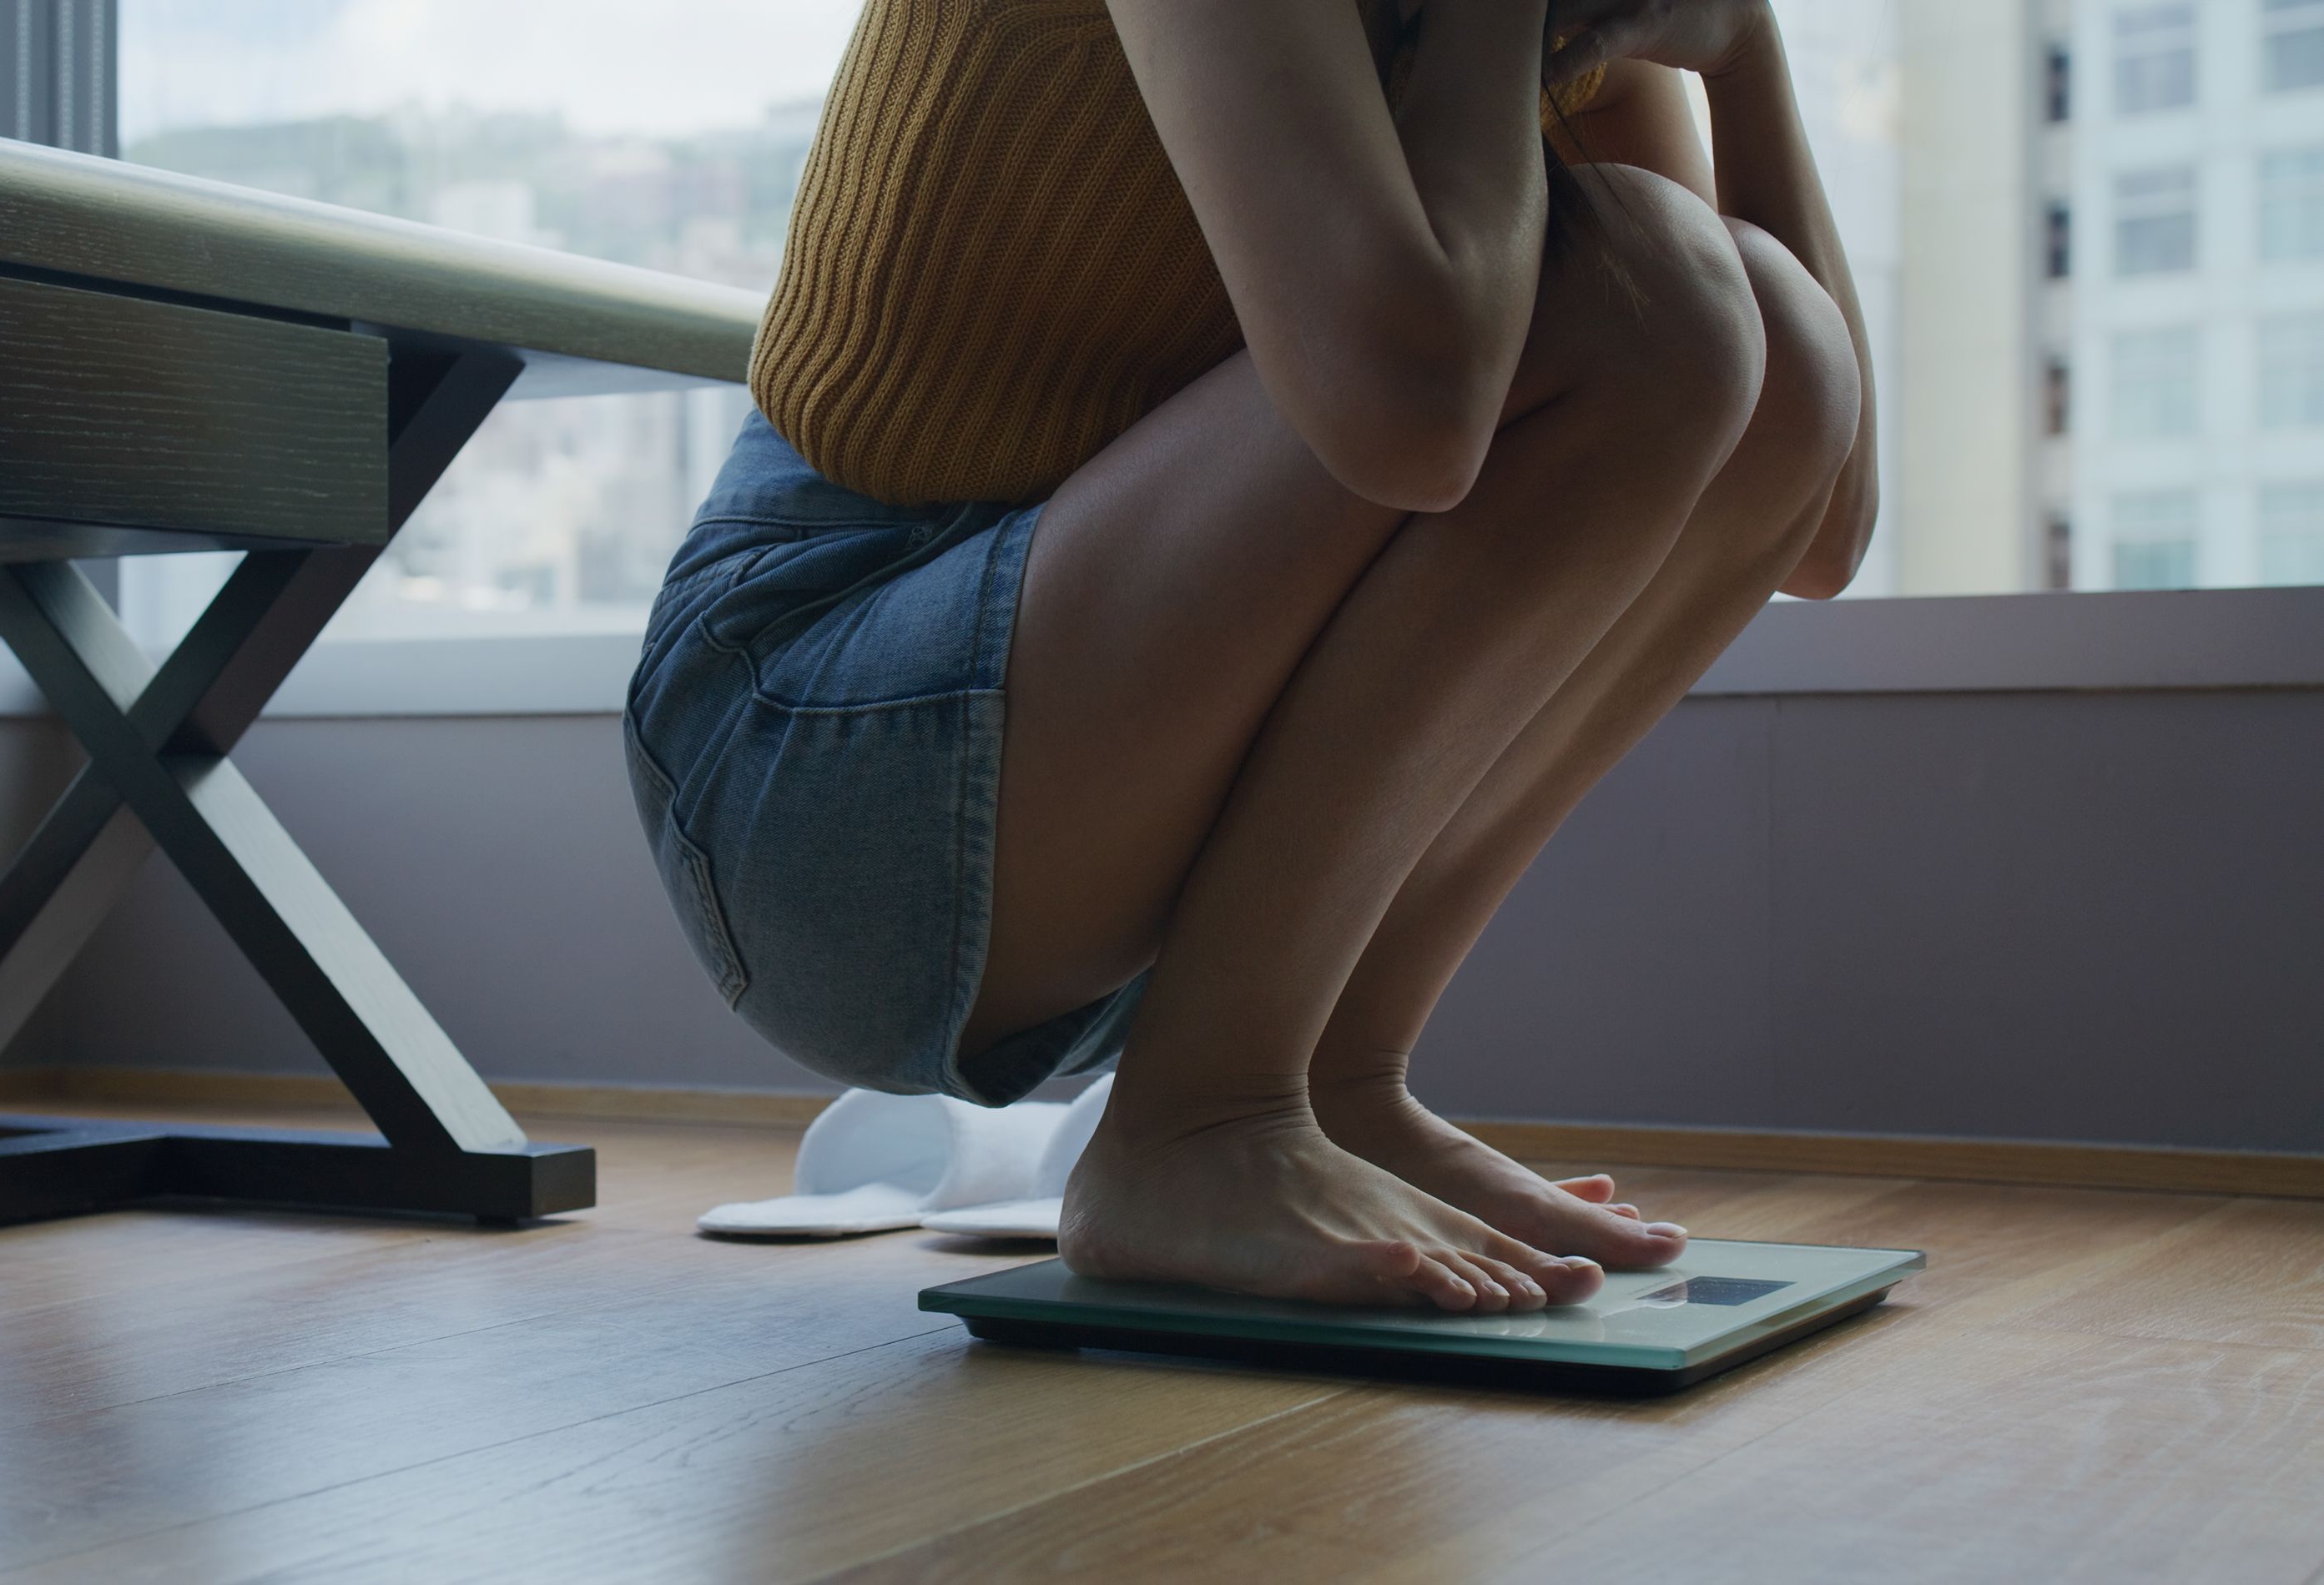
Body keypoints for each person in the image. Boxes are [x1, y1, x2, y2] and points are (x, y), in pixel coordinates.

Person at [625, 0, 1870, 1311]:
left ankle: (1332, 1082)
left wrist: (1745, 54)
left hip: (1091, 779)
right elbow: (1414, 425)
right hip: (808, 749)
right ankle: (1203, 1115)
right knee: (1649, 288)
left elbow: (1814, 508)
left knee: (1761, 324)